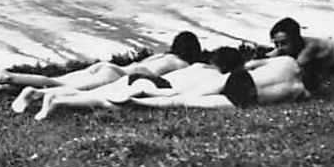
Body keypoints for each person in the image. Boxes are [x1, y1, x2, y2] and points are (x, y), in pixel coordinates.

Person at [0, 31, 204, 107]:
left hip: (109, 67)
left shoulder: (163, 55)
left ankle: (0, 88)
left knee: (55, 79)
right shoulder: (183, 64)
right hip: (115, 75)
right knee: (57, 85)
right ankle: (7, 76)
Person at [34, 46, 249, 120]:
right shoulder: (215, 78)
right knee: (106, 102)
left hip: (139, 77)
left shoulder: (196, 66)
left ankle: (53, 95)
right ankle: (60, 102)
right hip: (157, 86)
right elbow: (186, 95)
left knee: (101, 92)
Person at [130, 55, 311, 111]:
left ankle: (154, 93)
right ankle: (139, 102)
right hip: (249, 100)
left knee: (190, 94)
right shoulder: (300, 92)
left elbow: (251, 64)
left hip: (240, 78)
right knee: (182, 102)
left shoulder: (287, 62)